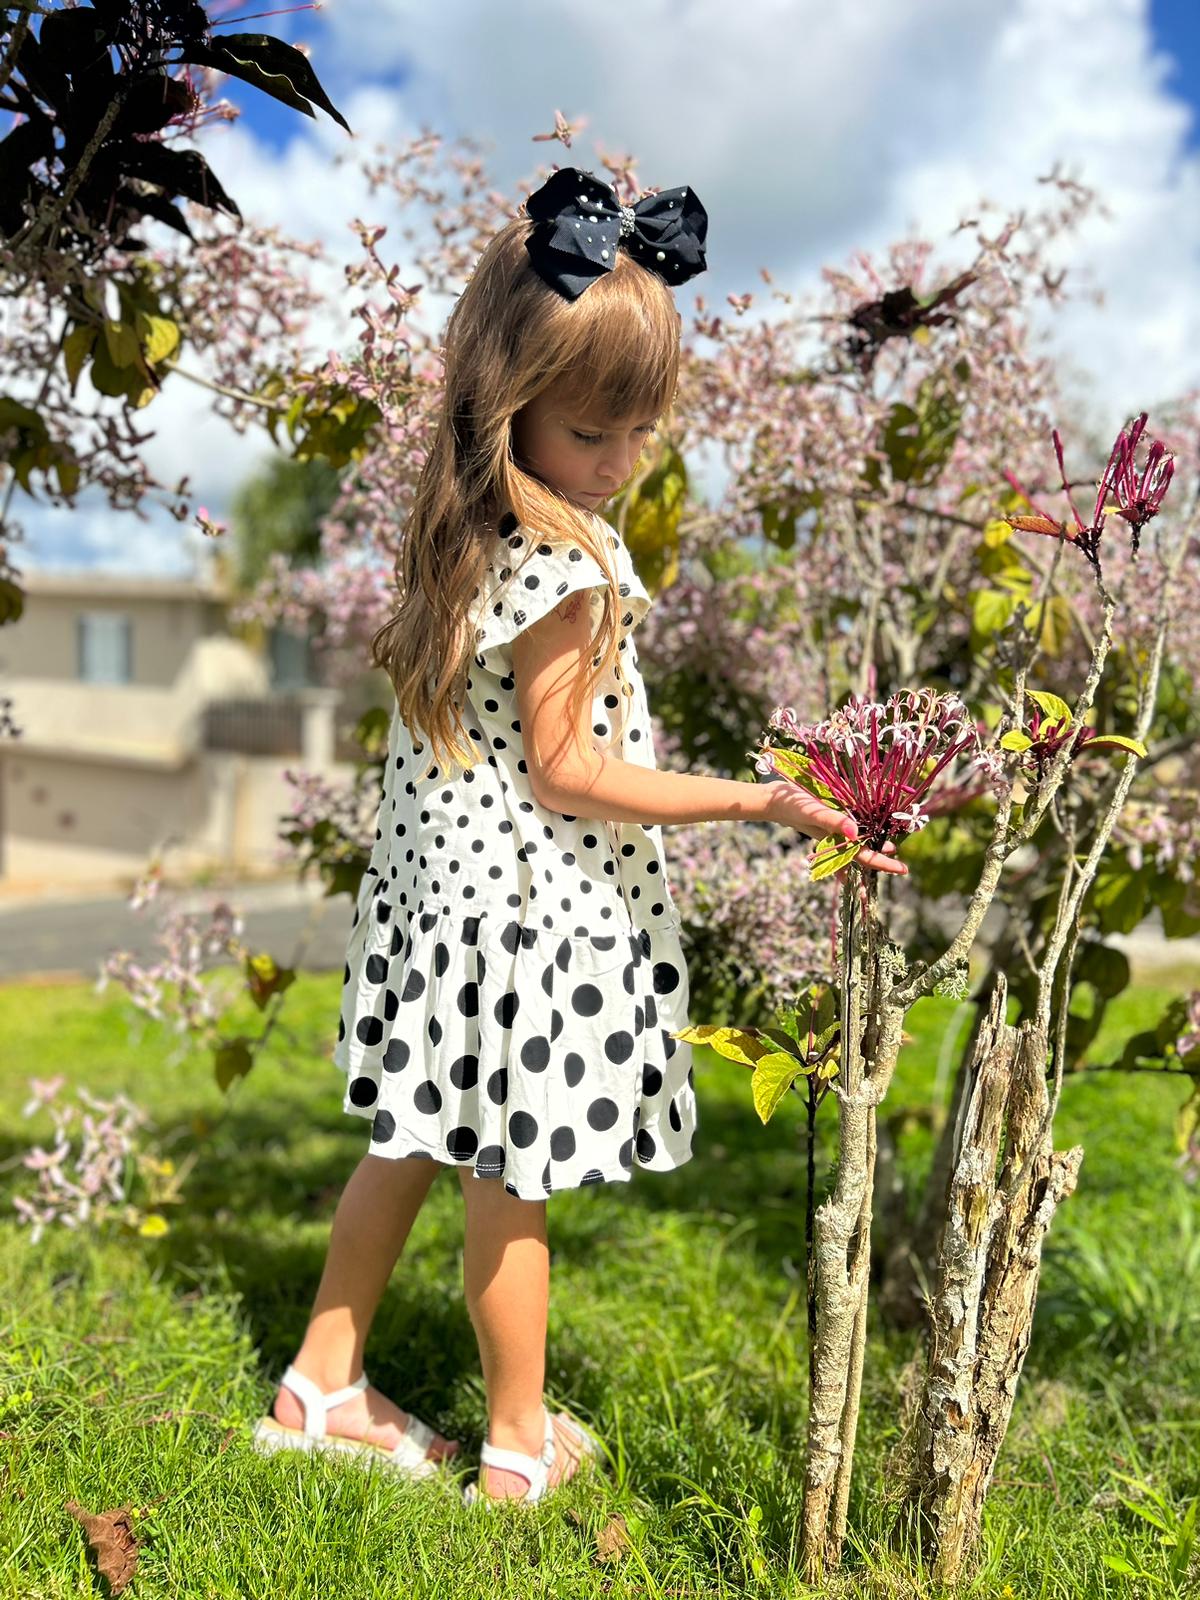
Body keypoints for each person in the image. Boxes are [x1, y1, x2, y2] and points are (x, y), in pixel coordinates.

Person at [251, 164, 906, 1505]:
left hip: (442, 906)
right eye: (593, 433)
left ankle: (320, 1385)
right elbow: (571, 769)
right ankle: (516, 1442)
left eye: (637, 432)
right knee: (514, 1176)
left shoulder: (464, 530)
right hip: (523, 918)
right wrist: (755, 798)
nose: (618, 463)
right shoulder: (573, 562)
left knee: (412, 1140)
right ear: (513, 407)